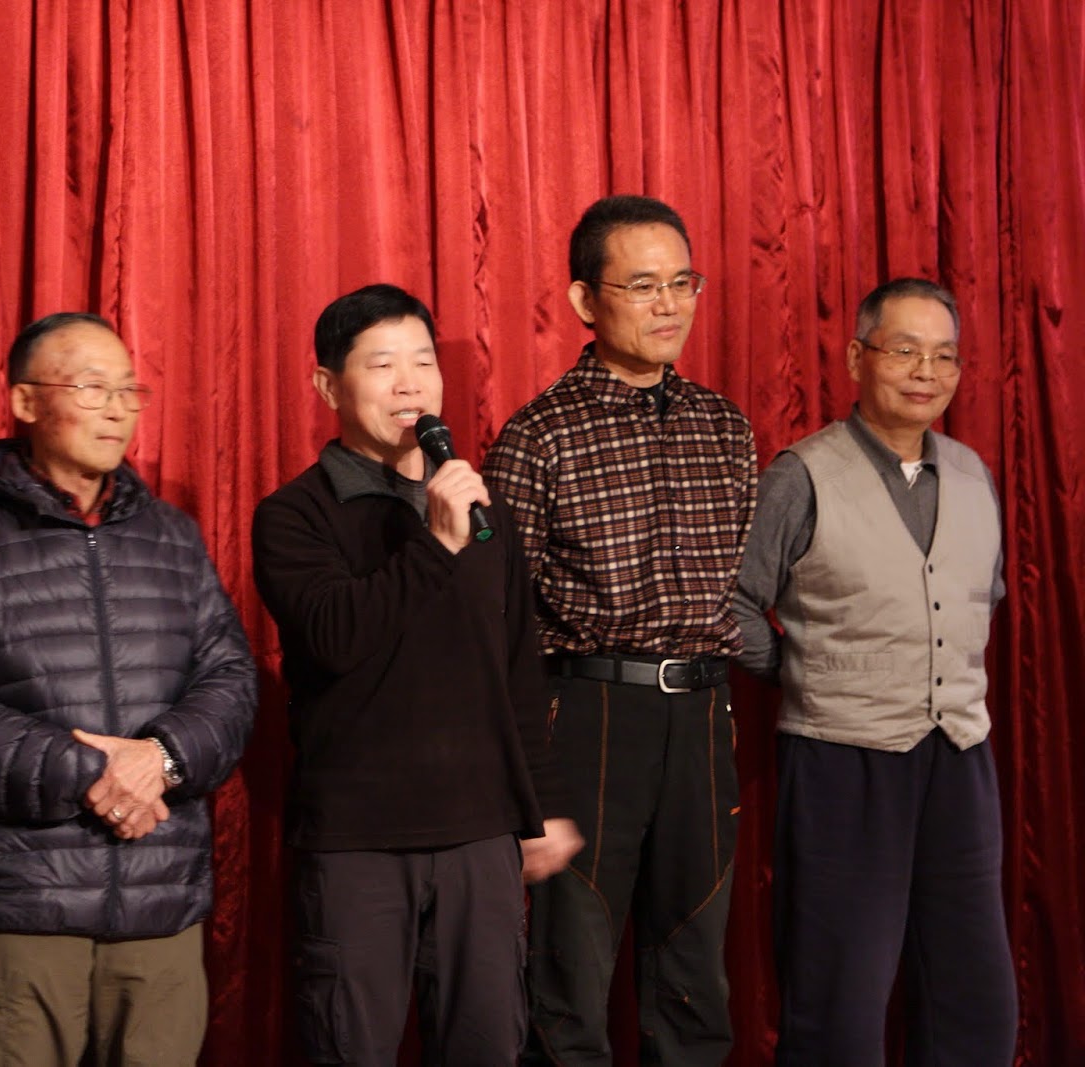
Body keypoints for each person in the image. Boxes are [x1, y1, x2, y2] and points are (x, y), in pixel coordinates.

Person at [0, 312, 256, 1066]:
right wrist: (97, 773)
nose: (118, 409)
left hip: (160, 909)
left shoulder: (173, 537)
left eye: (129, 390)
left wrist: (160, 759)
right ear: (24, 401)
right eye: (92, 388)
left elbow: (230, 680)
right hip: (25, 912)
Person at [252, 283, 583, 1065]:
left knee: (488, 1045)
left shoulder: (482, 511)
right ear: (328, 386)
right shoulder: (294, 514)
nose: (409, 383)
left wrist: (540, 809)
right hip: (359, 840)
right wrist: (435, 546)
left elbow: (516, 670)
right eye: (382, 364)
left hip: (481, 836)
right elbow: (336, 635)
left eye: (423, 362)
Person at [483, 195, 756, 1066]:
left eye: (683, 282)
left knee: (695, 972)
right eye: (642, 285)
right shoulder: (539, 435)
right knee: (571, 977)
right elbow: (498, 620)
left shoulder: (725, 427)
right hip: (589, 715)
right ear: (583, 300)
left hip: (703, 714)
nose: (668, 304)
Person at [732, 278, 1017, 1065]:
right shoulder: (802, 474)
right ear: (859, 358)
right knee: (840, 999)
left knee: (976, 996)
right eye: (905, 351)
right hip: (842, 762)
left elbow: (982, 599)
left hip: (960, 758)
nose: (927, 371)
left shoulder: (973, 473)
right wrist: (806, 671)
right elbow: (738, 605)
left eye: (945, 356)